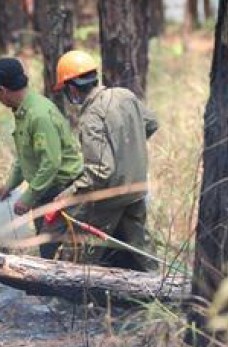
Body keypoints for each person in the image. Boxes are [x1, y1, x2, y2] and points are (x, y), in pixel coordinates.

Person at [53, 50, 159, 271]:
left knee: (77, 254)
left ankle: (66, 301)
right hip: (137, 189)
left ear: (72, 88)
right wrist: (127, 148)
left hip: (109, 198)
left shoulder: (91, 116)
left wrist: (66, 195)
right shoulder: (124, 95)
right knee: (143, 254)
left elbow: (100, 171)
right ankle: (161, 295)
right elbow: (151, 123)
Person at [0, 57, 83, 259]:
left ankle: (56, 290)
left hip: (60, 191)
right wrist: (9, 186)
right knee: (47, 248)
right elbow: (26, 157)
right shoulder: (23, 113)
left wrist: (28, 197)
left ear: (3, 90)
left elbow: (50, 163)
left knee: (51, 252)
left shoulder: (38, 115)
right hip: (44, 191)